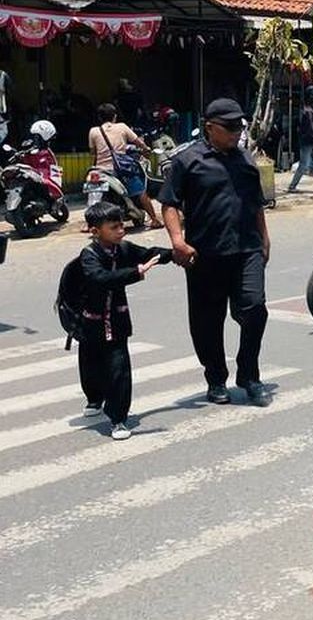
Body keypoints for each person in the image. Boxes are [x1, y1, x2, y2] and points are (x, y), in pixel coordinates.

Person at [159, 98, 273, 408]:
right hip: (204, 254)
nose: (237, 132)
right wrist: (177, 241)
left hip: (247, 249)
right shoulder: (188, 161)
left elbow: (256, 204)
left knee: (255, 309)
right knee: (207, 322)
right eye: (230, 127)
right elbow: (169, 204)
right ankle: (216, 377)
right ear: (210, 127)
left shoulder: (246, 160)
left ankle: (249, 374)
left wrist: (264, 238)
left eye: (240, 126)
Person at [77, 202, 172, 440]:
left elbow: (148, 254)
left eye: (122, 226)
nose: (121, 231)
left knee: (119, 370)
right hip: (91, 324)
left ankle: (118, 419)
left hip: (117, 322)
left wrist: (176, 252)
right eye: (114, 227)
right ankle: (94, 399)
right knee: (90, 367)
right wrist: (135, 273)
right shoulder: (88, 256)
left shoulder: (124, 249)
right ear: (95, 231)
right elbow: (100, 279)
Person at [87, 102, 163, 230]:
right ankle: (154, 219)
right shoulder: (122, 127)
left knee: (92, 192)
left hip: (100, 169)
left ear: (99, 117)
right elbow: (138, 142)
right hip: (121, 169)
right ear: (115, 116)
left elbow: (92, 152)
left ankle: (88, 223)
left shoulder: (93, 131)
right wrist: (146, 149)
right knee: (141, 192)